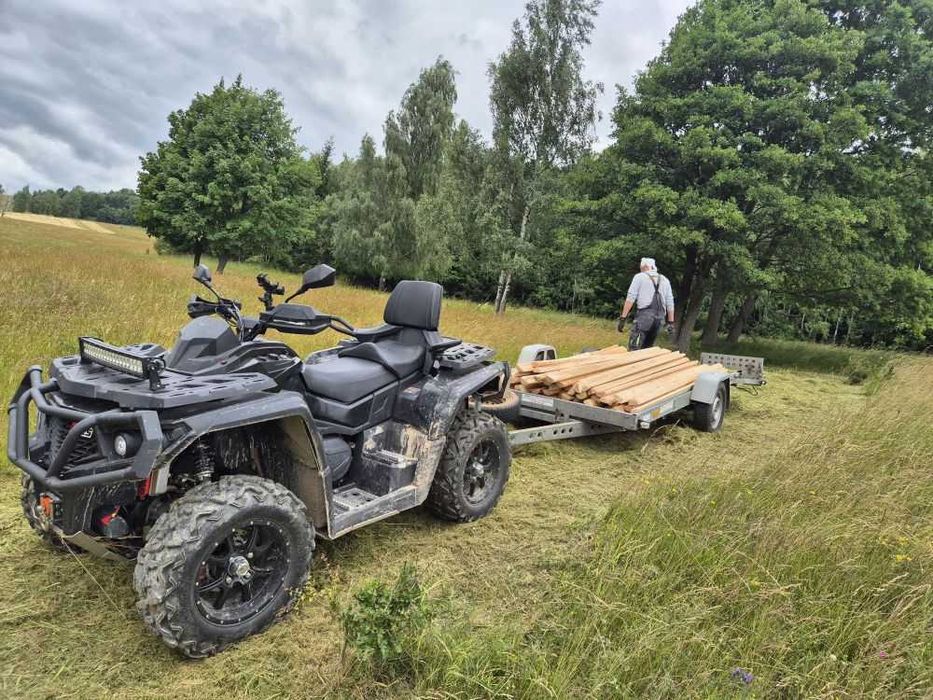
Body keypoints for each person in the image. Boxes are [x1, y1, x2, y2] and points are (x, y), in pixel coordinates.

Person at [617, 257, 675, 350]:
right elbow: (670, 302)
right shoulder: (665, 280)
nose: (641, 270)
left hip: (644, 318)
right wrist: (671, 323)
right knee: (647, 349)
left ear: (645, 267)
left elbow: (630, 298)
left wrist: (623, 318)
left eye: (641, 268)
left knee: (634, 348)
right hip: (659, 320)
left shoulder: (639, 277)